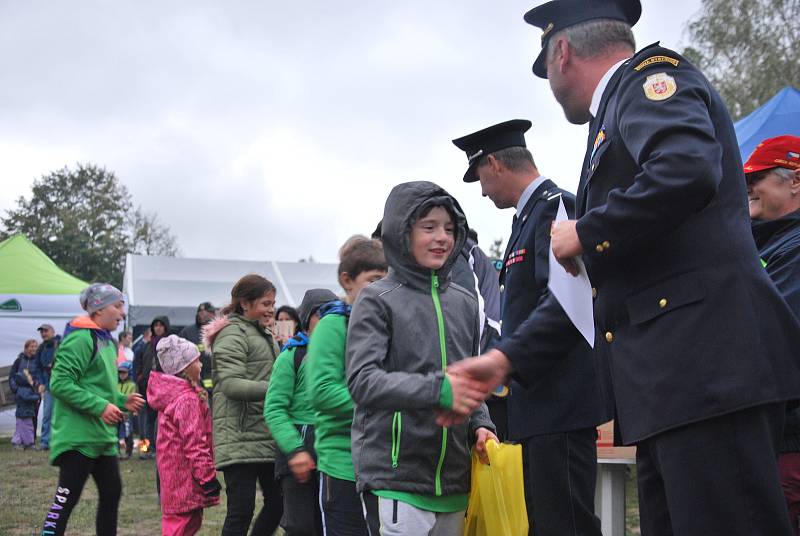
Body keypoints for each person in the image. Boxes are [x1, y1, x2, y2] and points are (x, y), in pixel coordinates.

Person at [450, 2, 800, 535]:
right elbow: (582, 292)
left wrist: (585, 232)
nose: (552, 82)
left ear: (561, 51)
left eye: (547, 68)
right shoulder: (613, 117)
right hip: (674, 385)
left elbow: (686, 166)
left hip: (705, 373)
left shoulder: (648, 82)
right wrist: (505, 360)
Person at [452, 120, 607, 535]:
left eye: (480, 177)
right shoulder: (529, 217)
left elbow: (565, 305)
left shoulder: (555, 208)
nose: (482, 190)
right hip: (539, 406)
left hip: (561, 402)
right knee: (545, 522)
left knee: (566, 523)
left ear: (494, 164)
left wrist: (504, 360)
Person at [347, 181, 497, 535]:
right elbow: (362, 381)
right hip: (396, 476)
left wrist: (482, 425)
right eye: (428, 227)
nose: (441, 237)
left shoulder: (465, 301)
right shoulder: (376, 299)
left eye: (448, 228)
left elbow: (468, 380)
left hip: (455, 481)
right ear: (402, 232)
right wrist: (438, 389)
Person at [41, 283, 145, 536]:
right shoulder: (80, 338)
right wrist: (100, 407)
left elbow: (99, 388)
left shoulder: (108, 343)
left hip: (102, 438)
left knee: (112, 493)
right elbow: (60, 383)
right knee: (65, 500)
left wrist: (121, 400)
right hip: (78, 438)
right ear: (98, 309)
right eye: (117, 306)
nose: (122, 313)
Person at [306, 236, 387, 535]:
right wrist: (382, 406)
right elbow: (323, 391)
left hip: (384, 466)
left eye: (387, 280)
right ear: (347, 281)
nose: (382, 288)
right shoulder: (333, 326)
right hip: (342, 465)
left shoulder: (387, 322)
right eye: (374, 280)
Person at [745, 135, 800, 533]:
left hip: (791, 441)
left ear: (795, 181)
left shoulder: (794, 248)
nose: (749, 187)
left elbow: (767, 329)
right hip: (773, 437)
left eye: (758, 177)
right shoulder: (768, 243)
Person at [203, 273, 283, 536]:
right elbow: (230, 384)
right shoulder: (232, 334)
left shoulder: (261, 333)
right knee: (241, 511)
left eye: (273, 303)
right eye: (265, 303)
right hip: (238, 436)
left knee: (279, 504)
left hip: (263, 433)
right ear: (245, 304)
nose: (271, 309)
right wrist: (276, 390)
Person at [264, 288, 338, 536]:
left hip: (334, 454)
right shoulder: (292, 356)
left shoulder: (345, 354)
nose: (330, 319)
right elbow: (274, 409)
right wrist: (295, 450)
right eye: (322, 313)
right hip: (297, 455)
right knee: (301, 527)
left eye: (334, 312)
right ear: (307, 319)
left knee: (328, 525)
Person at [147, 335, 221, 536]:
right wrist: (207, 478)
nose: (200, 364)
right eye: (195, 360)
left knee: (185, 525)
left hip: (176, 478)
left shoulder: (177, 396)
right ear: (184, 368)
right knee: (180, 527)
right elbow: (194, 442)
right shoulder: (185, 400)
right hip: (184, 479)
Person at [134, 315, 170, 459]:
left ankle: (162, 448)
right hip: (147, 388)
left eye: (161, 325)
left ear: (166, 327)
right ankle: (148, 448)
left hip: (166, 388)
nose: (158, 328)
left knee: (163, 420)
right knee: (148, 419)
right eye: (156, 325)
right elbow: (137, 363)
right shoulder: (147, 346)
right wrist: (140, 377)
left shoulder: (170, 344)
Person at [179, 302, 217, 398]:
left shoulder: (220, 330)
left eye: (207, 312)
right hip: (195, 381)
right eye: (200, 312)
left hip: (217, 381)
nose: (203, 315)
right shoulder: (187, 332)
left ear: (213, 313)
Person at [10, 339, 41, 450]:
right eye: (31, 346)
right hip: (22, 393)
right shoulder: (19, 360)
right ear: (26, 347)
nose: (33, 349)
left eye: (35, 346)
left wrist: (38, 389)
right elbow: (12, 376)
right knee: (22, 417)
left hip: (34, 392)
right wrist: (16, 389)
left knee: (33, 416)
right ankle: (24, 442)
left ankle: (30, 441)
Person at [34, 323, 60, 450]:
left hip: (62, 385)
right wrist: (41, 383)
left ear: (53, 332)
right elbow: (37, 367)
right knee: (47, 414)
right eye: (42, 332)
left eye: (46, 331)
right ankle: (45, 442)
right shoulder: (40, 348)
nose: (43, 334)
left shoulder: (61, 344)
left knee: (62, 414)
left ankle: (60, 441)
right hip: (48, 385)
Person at [116, 361, 136, 459]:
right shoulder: (116, 384)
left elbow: (134, 398)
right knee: (115, 431)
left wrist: (134, 410)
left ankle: (129, 451)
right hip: (117, 411)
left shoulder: (132, 385)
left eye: (124, 373)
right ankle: (116, 451)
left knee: (128, 432)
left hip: (128, 412)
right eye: (120, 372)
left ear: (129, 373)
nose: (122, 375)